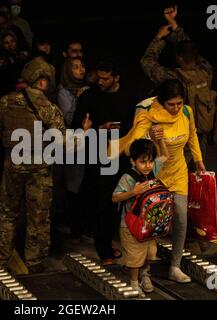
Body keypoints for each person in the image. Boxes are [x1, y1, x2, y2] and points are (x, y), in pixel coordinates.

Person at [0, 61, 91, 273]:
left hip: (12, 167)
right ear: (42, 82)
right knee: (39, 216)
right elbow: (65, 143)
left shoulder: (6, 102)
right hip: (40, 170)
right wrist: (85, 132)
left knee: (8, 213)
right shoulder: (49, 109)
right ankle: (34, 262)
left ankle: (0, 260)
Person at [111, 79, 207, 283]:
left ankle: (175, 266)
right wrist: (150, 136)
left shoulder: (187, 112)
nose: (175, 108)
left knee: (181, 219)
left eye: (179, 103)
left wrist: (198, 160)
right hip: (156, 174)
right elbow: (133, 146)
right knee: (153, 221)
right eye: (171, 104)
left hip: (179, 171)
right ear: (161, 102)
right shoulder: (149, 114)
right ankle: (145, 270)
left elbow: (192, 136)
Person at [72, 58, 137, 265]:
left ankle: (117, 242)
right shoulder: (89, 97)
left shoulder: (129, 97)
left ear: (116, 78)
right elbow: (75, 127)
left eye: (105, 78)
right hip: (97, 157)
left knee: (122, 201)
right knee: (102, 203)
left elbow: (137, 126)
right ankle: (105, 251)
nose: (100, 81)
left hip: (123, 156)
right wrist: (97, 129)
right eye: (98, 77)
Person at [140, 5, 216, 162]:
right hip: (200, 135)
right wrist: (174, 24)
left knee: (175, 174)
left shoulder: (173, 79)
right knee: (197, 173)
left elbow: (147, 61)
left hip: (178, 137)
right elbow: (190, 49)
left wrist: (159, 38)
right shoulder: (206, 70)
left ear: (179, 58)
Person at [112, 138, 169, 297]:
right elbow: (114, 198)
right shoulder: (127, 177)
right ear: (133, 161)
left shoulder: (152, 170)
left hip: (149, 224)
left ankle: (145, 275)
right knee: (135, 256)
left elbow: (165, 155)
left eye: (150, 161)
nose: (148, 165)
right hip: (130, 224)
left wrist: (160, 140)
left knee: (151, 253)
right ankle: (134, 283)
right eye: (143, 162)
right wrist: (132, 192)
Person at [56, 57, 90, 243]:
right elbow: (68, 118)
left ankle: (82, 225)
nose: (81, 70)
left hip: (86, 141)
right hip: (71, 142)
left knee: (83, 184)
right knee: (73, 184)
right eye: (76, 67)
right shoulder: (63, 91)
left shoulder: (85, 88)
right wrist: (79, 98)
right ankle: (74, 228)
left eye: (82, 65)